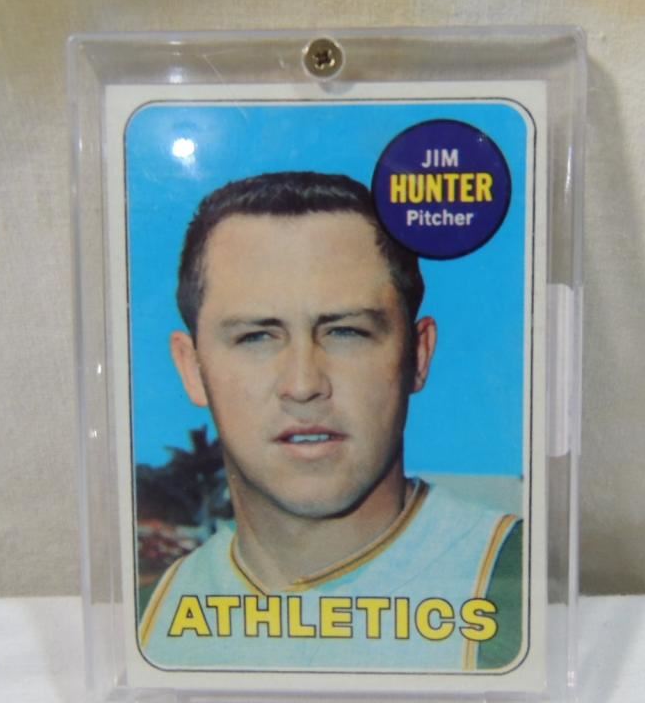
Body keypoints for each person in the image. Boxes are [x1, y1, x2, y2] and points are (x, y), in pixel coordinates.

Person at [139, 172, 523, 672]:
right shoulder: (147, 626)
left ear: (418, 355)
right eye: (256, 337)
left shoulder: (523, 586)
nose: (303, 384)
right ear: (192, 368)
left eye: (346, 332)